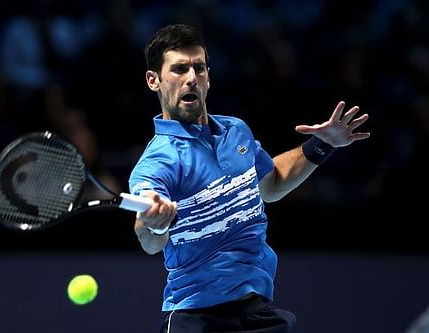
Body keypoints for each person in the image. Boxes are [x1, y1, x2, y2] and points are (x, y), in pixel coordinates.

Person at [128, 24, 370, 333]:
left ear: (208, 77)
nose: (191, 78)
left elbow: (271, 183)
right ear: (154, 81)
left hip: (256, 312)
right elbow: (148, 237)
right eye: (178, 69)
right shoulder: (158, 161)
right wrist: (154, 221)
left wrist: (323, 144)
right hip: (196, 317)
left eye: (198, 68)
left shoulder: (235, 131)